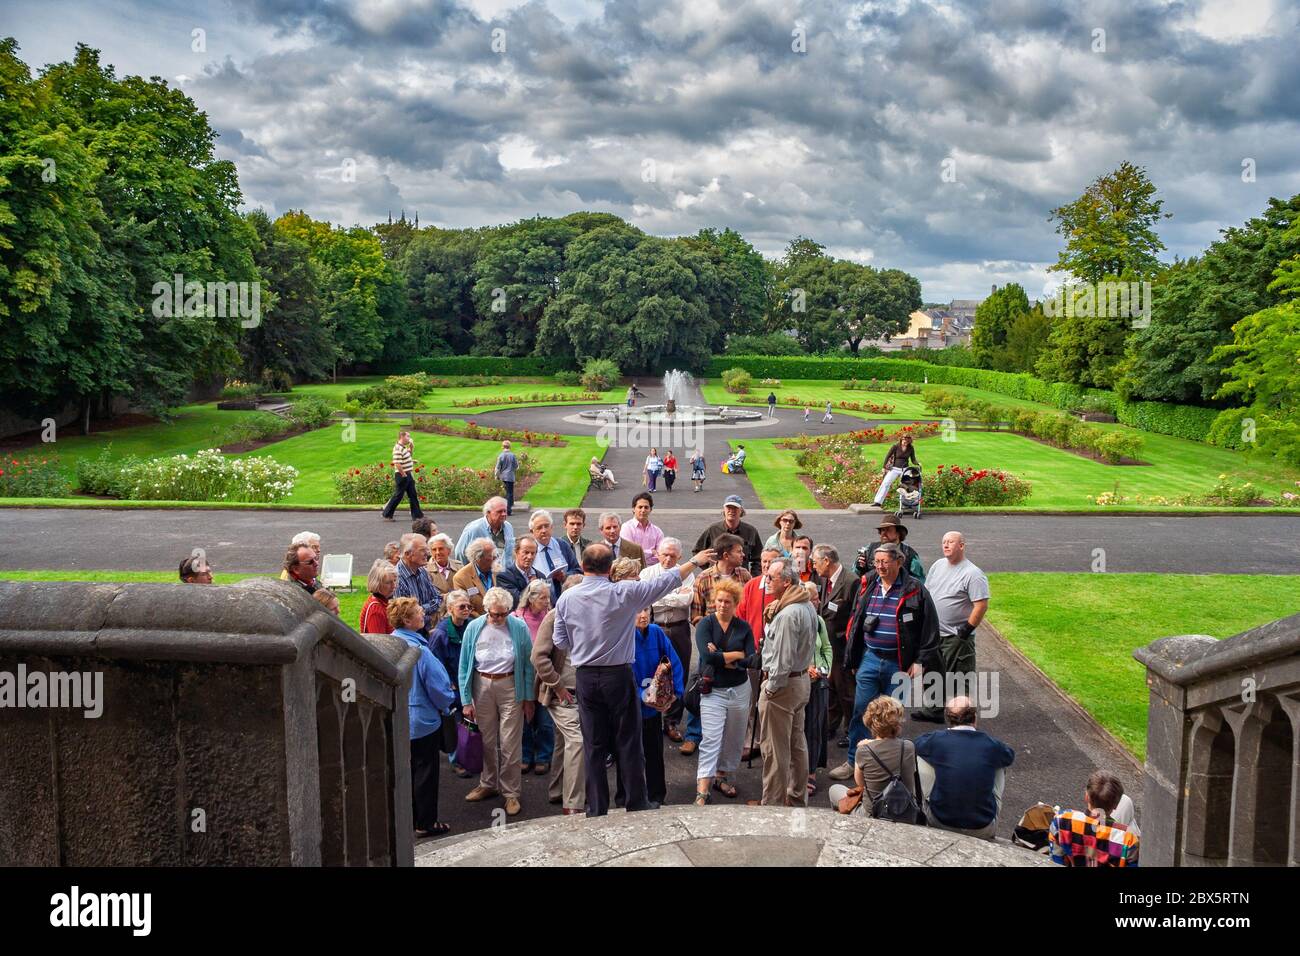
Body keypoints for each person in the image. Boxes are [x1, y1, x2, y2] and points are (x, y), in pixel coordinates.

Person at [551, 541, 716, 816]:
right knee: (628, 739)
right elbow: (663, 583)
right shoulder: (623, 592)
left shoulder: (567, 597)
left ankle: (597, 807)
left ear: (583, 566)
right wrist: (694, 561)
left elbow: (559, 639)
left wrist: (584, 643)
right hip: (618, 675)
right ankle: (636, 801)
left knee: (593, 744)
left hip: (586, 676)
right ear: (609, 568)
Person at [830, 542, 939, 781]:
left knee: (891, 717)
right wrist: (855, 656)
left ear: (898, 562)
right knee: (860, 711)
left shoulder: (915, 590)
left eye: (884, 562)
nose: (879, 566)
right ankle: (853, 762)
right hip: (869, 658)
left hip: (898, 664)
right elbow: (856, 621)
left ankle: (889, 767)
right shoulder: (868, 583)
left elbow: (930, 629)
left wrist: (920, 661)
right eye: (876, 562)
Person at [459, 587, 536, 817]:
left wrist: (528, 698)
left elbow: (528, 665)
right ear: (486, 610)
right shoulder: (474, 627)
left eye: (503, 614)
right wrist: (466, 700)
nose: (499, 618)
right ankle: (488, 783)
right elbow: (464, 665)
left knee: (511, 742)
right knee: (487, 740)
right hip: (481, 685)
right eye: (494, 614)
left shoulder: (519, 627)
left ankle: (511, 792)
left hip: (511, 685)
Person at [389, 596, 455, 838]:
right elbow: (440, 690)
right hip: (423, 722)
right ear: (407, 620)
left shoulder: (392, 642)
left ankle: (407, 818)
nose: (423, 615)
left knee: (405, 772)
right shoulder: (421, 651)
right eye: (418, 612)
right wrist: (448, 704)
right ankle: (426, 822)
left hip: (399, 720)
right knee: (426, 773)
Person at [693, 577, 758, 804]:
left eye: (727, 601)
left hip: (739, 689)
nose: (722, 605)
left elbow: (751, 658)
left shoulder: (743, 627)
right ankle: (703, 787)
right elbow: (706, 655)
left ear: (735, 603)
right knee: (710, 738)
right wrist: (735, 655)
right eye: (719, 601)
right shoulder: (705, 625)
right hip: (714, 690)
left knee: (734, 737)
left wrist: (722, 656)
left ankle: (722, 775)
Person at [757, 560, 817, 806]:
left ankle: (772, 806)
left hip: (783, 687)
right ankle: (795, 799)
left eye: (772, 577)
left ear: (787, 582)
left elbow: (782, 659)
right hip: (800, 682)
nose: (767, 581)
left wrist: (770, 688)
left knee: (774, 751)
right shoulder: (805, 605)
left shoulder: (788, 613)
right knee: (796, 744)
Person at [915, 696, 1014, 840]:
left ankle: (931, 801)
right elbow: (1009, 755)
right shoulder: (991, 744)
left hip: (941, 822)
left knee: (922, 755)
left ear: (948, 719)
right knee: (999, 764)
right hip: (982, 827)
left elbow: (918, 743)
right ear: (974, 717)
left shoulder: (937, 739)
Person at [916, 531, 990, 722]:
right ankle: (933, 710)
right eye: (944, 542)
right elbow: (928, 592)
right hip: (934, 634)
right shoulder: (938, 565)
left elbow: (981, 604)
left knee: (958, 677)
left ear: (962, 546)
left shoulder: (973, 574)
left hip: (956, 636)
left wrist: (965, 630)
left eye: (951, 542)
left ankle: (963, 718)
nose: (946, 545)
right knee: (932, 673)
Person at [613, 608, 683, 806]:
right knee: (627, 755)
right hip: (629, 708)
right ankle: (625, 797)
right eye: (636, 611)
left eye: (645, 610)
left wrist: (674, 694)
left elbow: (674, 662)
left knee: (654, 754)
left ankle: (656, 796)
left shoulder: (656, 632)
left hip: (653, 708)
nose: (642, 615)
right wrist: (639, 696)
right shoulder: (622, 635)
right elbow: (619, 674)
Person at [531, 574, 587, 814]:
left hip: (583, 692)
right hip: (560, 694)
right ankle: (572, 804)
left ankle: (556, 791)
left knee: (564, 742)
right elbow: (538, 657)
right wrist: (558, 687)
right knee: (578, 741)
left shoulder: (589, 615)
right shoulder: (554, 617)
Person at [638, 537, 695, 743]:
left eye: (673, 555)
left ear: (680, 556)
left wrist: (659, 596)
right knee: (650, 671)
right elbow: (647, 600)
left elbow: (686, 600)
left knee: (679, 672)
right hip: (653, 627)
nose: (668, 559)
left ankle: (671, 721)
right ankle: (649, 713)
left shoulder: (687, 573)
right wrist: (673, 594)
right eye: (665, 554)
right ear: (657, 554)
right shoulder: (647, 573)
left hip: (679, 628)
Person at [827, 695, 919, 814]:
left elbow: (860, 783)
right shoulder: (908, 747)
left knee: (834, 790)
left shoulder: (864, 750)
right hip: (904, 810)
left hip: (873, 811)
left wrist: (866, 745)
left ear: (871, 722)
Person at [811, 544, 857, 748]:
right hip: (825, 646)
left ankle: (850, 730)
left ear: (826, 561)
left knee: (846, 691)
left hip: (841, 647)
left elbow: (855, 616)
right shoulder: (822, 579)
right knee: (829, 688)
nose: (813, 566)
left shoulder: (851, 581)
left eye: (815, 562)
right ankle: (830, 725)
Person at [1049, 771, 1141, 866]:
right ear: (1116, 805)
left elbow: (1056, 860)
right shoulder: (1128, 839)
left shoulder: (1061, 820)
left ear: (1086, 797)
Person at [511, 579, 555, 777]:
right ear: (530, 598)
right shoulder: (516, 618)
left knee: (545, 719)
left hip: (545, 675)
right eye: (543, 597)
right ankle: (526, 755)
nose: (547, 601)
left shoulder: (551, 617)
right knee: (525, 718)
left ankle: (544, 756)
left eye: (548, 596)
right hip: (523, 675)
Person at [430, 588, 474, 778]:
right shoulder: (440, 634)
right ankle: (456, 761)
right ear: (449, 609)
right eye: (461, 607)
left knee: (470, 722)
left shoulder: (472, 625)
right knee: (455, 724)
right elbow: (435, 662)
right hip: (453, 685)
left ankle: (470, 755)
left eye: (469, 606)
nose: (466, 610)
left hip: (469, 682)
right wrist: (448, 683)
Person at [801, 580, 833, 794]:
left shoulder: (819, 620)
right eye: (814, 598)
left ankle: (810, 772)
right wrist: (806, 669)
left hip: (818, 683)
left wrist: (824, 669)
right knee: (796, 729)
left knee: (814, 729)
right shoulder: (794, 618)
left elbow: (827, 648)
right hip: (799, 681)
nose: (818, 601)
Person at [694, 495, 764, 576]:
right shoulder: (713, 529)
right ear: (724, 510)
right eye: (728, 508)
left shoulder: (751, 531)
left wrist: (753, 576)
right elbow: (697, 551)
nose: (731, 511)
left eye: (735, 508)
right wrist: (710, 568)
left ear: (741, 510)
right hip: (715, 579)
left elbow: (759, 557)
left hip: (740, 578)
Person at [395, 533, 443, 634]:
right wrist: (428, 609)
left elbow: (438, 598)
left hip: (427, 629)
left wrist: (420, 609)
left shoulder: (422, 571)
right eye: (422, 550)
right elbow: (406, 616)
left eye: (426, 549)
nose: (428, 553)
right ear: (407, 554)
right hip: (410, 636)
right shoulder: (397, 579)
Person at [530, 509, 581, 603]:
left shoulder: (562, 545)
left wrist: (565, 576)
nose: (544, 530)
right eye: (539, 527)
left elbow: (577, 570)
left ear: (552, 527)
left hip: (566, 599)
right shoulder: (529, 550)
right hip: (540, 602)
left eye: (546, 526)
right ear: (532, 531)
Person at [860, 515, 926, 582]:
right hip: (872, 591)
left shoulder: (910, 554)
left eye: (888, 530)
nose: (884, 533)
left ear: (898, 533)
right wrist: (859, 567)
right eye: (882, 530)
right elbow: (855, 577)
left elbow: (919, 582)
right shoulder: (869, 549)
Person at [452, 497, 514, 566]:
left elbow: (509, 554)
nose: (504, 514)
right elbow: (460, 553)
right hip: (481, 575)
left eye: (505, 511)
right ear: (488, 513)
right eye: (499, 511)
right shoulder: (474, 529)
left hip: (505, 574)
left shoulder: (508, 527)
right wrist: (468, 572)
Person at [382, 428, 424, 521]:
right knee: (398, 495)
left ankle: (417, 515)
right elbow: (397, 463)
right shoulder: (398, 448)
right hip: (402, 475)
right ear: (402, 436)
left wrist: (411, 448)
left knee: (413, 494)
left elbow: (408, 456)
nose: (409, 438)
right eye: (408, 436)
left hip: (407, 474)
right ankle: (387, 514)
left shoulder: (403, 447)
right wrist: (404, 474)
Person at [451, 538, 498, 617]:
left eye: (495, 555)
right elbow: (465, 608)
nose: (495, 558)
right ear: (478, 558)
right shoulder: (461, 578)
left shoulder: (497, 571)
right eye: (491, 556)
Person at [872, 433, 920, 508]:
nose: (905, 443)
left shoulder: (911, 448)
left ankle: (906, 504)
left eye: (907, 442)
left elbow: (913, 459)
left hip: (904, 469)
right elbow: (887, 456)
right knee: (886, 483)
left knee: (905, 486)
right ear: (901, 439)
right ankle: (878, 502)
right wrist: (884, 467)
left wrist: (918, 464)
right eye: (904, 441)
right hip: (894, 469)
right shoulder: (895, 446)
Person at [498, 536, 546, 608]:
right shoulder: (504, 576)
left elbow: (546, 601)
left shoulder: (540, 576)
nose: (529, 557)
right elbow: (517, 601)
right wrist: (532, 586)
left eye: (533, 553)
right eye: (526, 552)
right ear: (516, 552)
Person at [620, 492, 663, 562]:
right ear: (633, 509)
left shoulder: (657, 531)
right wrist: (651, 552)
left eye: (646, 507)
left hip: (653, 570)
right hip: (634, 570)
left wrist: (640, 553)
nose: (643, 510)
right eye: (640, 507)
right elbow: (629, 553)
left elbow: (661, 555)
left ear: (650, 510)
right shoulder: (626, 528)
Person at [359, 558, 398, 634]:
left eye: (394, 580)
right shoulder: (376, 610)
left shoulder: (384, 601)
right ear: (377, 584)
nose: (394, 585)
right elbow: (379, 643)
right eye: (388, 583)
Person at [426, 532, 459, 599]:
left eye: (441, 549)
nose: (437, 552)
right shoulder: (425, 571)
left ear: (449, 550)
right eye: (434, 550)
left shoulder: (459, 567)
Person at [494, 440, 519, 516]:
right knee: (510, 493)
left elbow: (497, 467)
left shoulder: (501, 455)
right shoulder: (512, 455)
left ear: (503, 447)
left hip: (503, 476)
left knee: (506, 492)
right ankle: (508, 509)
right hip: (510, 476)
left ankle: (506, 507)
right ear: (510, 447)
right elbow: (516, 466)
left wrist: (496, 475)